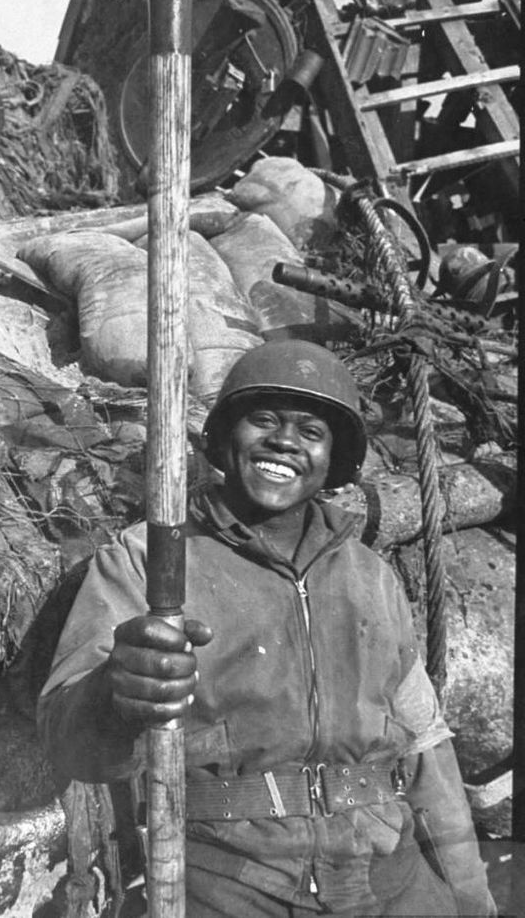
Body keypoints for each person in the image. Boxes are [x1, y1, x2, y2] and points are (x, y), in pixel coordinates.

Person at [37, 339, 495, 917]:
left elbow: (427, 750)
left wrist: (472, 899)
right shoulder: (150, 559)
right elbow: (68, 743)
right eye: (264, 420)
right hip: (223, 881)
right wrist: (114, 694)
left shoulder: (371, 576)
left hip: (385, 875)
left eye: (311, 431)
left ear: (335, 461)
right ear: (227, 438)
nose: (284, 441)